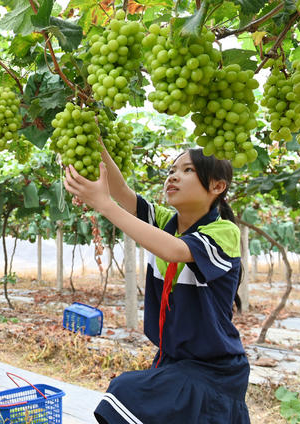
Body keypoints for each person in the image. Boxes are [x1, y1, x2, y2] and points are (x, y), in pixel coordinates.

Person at [64, 147, 250, 423]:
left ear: (217, 186)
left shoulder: (224, 232)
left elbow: (174, 251)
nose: (173, 176)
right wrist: (96, 139)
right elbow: (123, 192)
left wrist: (104, 205)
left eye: (187, 170)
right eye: (172, 170)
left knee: (124, 393)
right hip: (173, 361)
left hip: (213, 369)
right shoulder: (167, 223)